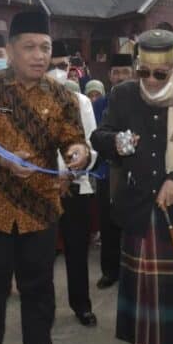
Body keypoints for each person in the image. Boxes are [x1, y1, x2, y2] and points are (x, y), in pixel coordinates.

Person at [0, 10, 90, 344]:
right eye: (29, 47)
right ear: (11, 51)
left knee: (40, 293)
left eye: (44, 47)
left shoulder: (63, 96)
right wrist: (0, 159)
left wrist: (78, 153)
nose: (38, 55)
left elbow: (74, 139)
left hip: (41, 210)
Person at [91, 29, 173, 344]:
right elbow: (99, 136)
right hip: (138, 205)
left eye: (161, 74)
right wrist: (117, 142)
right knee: (139, 285)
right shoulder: (123, 94)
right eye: (144, 72)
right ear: (137, 67)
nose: (152, 81)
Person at [47, 62, 100, 328]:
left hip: (75, 187)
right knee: (41, 252)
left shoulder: (81, 102)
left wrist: (69, 172)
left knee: (77, 250)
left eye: (61, 64)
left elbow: (89, 144)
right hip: (40, 188)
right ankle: (42, 309)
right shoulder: (28, 98)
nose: (57, 71)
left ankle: (82, 305)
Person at [92, 53, 134, 290]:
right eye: (116, 72)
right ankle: (110, 271)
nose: (120, 77)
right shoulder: (98, 104)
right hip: (106, 172)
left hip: (134, 174)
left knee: (131, 224)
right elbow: (94, 135)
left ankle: (131, 269)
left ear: (133, 74)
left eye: (125, 72)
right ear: (109, 76)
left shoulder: (141, 100)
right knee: (107, 224)